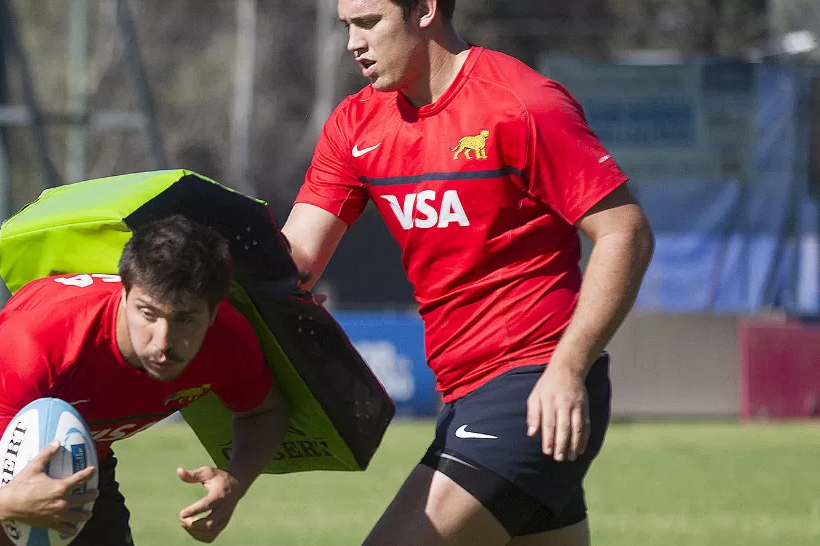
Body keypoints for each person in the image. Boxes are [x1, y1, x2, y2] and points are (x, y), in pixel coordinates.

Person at [280, 0, 655, 544]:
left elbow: (625, 231)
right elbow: (297, 262)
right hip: (462, 398)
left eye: (368, 23)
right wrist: (207, 264)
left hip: (532, 393)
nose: (352, 44)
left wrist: (567, 369)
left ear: (425, 9)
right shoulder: (354, 124)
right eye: (346, 27)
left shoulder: (521, 103)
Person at [0, 215, 289, 546]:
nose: (162, 342)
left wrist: (235, 482)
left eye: (185, 319)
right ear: (124, 292)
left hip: (82, 459)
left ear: (214, 311)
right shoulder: (38, 341)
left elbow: (264, 412)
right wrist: (9, 502)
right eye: (147, 313)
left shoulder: (229, 342)